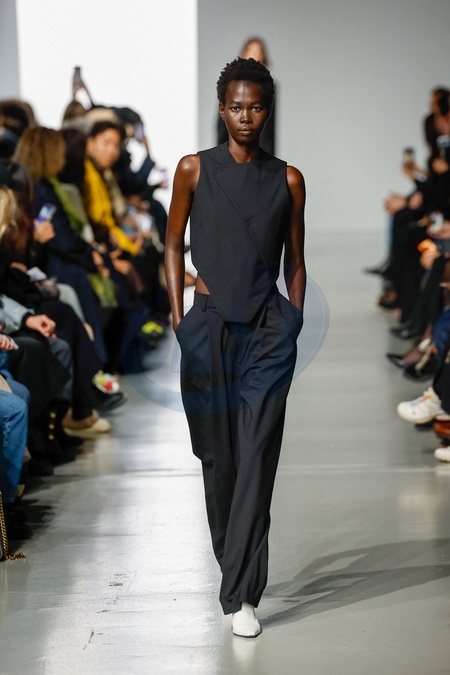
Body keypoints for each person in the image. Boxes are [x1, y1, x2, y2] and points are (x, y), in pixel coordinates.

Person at [165, 57, 306, 637]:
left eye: (256, 107)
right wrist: (180, 321)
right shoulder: (193, 169)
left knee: (257, 455)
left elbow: (296, 260)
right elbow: (171, 244)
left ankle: (242, 595)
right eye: (236, 106)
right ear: (222, 109)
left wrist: (292, 320)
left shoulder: (288, 179)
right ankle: (235, 569)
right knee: (218, 459)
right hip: (208, 329)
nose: (246, 116)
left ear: (268, 111)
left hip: (268, 331)